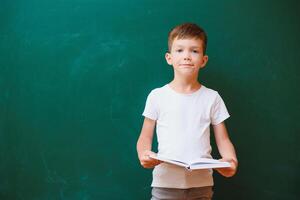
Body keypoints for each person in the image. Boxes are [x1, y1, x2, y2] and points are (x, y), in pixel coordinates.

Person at [136, 23, 238, 200]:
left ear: (204, 60)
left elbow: (223, 139)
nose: (187, 56)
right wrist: (144, 154)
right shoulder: (157, 96)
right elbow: (145, 137)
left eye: (194, 51)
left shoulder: (212, 97)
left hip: (201, 186)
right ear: (169, 58)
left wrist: (230, 160)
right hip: (165, 185)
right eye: (180, 50)